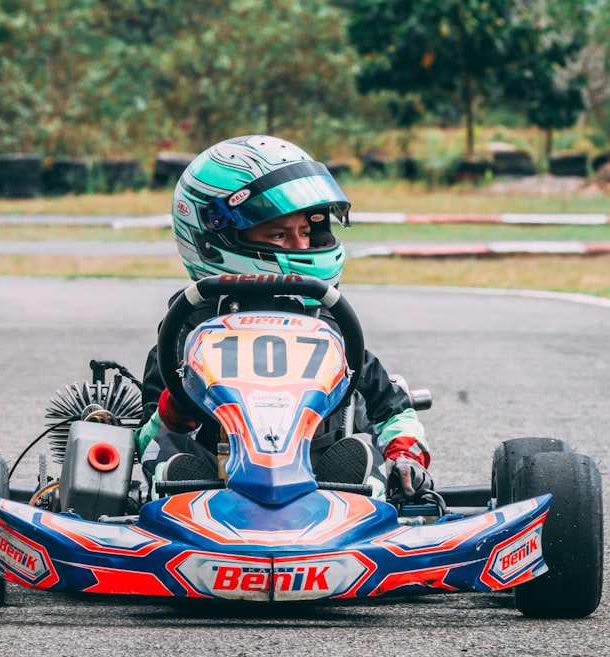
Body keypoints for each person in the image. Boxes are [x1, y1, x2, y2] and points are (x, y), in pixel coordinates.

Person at [134, 135, 432, 501]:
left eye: (305, 232)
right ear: (215, 237)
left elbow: (391, 407)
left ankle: (361, 503)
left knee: (362, 457)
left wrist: (404, 454)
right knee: (167, 456)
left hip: (320, 472)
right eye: (278, 234)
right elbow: (145, 439)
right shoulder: (186, 328)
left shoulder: (328, 322)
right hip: (213, 471)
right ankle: (180, 498)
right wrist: (176, 406)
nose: (300, 246)